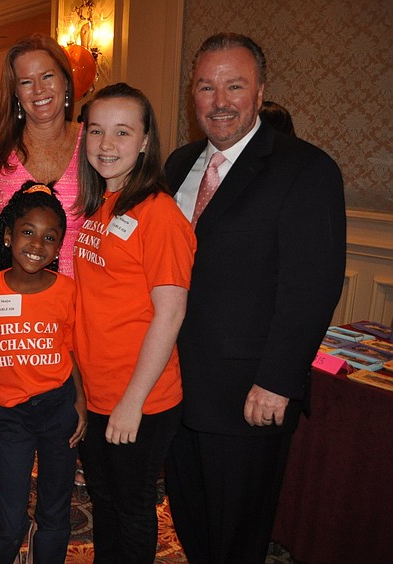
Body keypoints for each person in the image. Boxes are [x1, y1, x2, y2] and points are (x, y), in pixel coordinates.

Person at [164, 33, 346, 563]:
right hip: (172, 383)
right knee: (191, 520)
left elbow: (311, 286)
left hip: (247, 395)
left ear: (260, 91)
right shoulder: (178, 164)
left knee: (237, 535)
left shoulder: (305, 169)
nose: (219, 101)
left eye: (235, 86)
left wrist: (277, 381)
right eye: (206, 87)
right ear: (192, 95)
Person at [72, 83, 196, 563]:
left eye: (122, 132)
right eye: (96, 131)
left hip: (139, 396)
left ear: (145, 141)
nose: (106, 144)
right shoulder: (101, 204)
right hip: (98, 390)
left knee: (132, 507)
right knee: (105, 500)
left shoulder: (158, 214)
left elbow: (171, 312)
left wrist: (132, 403)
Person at [0, 183, 86, 563]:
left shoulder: (68, 291)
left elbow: (72, 351)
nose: (37, 244)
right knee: (10, 512)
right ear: (8, 236)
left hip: (58, 408)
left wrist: (81, 403)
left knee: (55, 508)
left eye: (49, 237)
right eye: (27, 232)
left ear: (59, 248)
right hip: (10, 413)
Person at [0, 34, 83, 277]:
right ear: (15, 92)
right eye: (26, 82)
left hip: (80, 292)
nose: (38, 90)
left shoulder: (92, 143)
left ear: (66, 81)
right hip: (15, 293)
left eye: (47, 76)